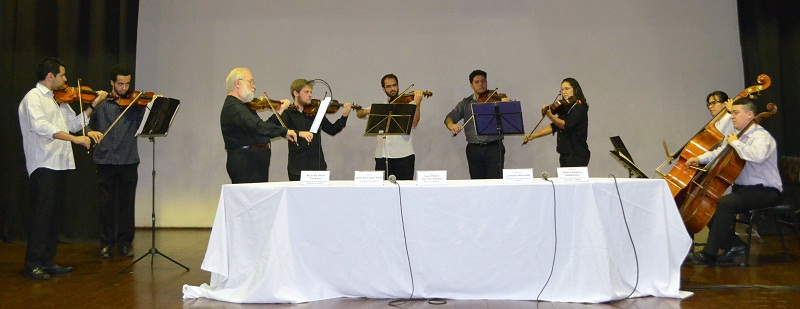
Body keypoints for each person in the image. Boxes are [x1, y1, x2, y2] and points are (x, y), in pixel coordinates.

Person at [18, 57, 107, 280]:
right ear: (50, 77)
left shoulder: (59, 100)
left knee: (53, 216)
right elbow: (42, 128)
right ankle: (33, 264)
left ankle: (48, 261)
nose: (66, 80)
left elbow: (75, 124)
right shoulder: (33, 98)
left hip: (59, 164)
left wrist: (92, 106)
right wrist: (77, 140)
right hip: (43, 164)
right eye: (62, 75)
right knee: (41, 216)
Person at [685, 97, 782, 265]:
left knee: (726, 203)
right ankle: (734, 245)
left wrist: (736, 143)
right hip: (744, 190)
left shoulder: (761, 136)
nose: (732, 116)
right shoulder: (737, 136)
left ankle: (709, 254)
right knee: (709, 205)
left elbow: (757, 156)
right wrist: (698, 158)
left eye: (736, 113)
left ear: (750, 115)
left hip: (766, 191)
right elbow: (719, 153)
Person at [87, 64, 144, 259]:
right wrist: (88, 132)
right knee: (106, 204)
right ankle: (106, 243)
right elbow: (84, 123)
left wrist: (148, 106)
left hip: (128, 159)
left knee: (127, 204)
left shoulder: (135, 103)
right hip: (105, 159)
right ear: (112, 83)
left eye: (127, 84)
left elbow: (142, 126)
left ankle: (125, 242)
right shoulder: (100, 102)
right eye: (120, 84)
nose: (124, 88)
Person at [220, 68, 298, 183]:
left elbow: (262, 129)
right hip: (245, 163)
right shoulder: (234, 107)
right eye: (250, 82)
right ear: (237, 83)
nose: (254, 86)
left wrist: (279, 111)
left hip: (253, 162)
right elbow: (258, 126)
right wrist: (284, 131)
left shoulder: (244, 106)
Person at [271, 79, 352, 181]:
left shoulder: (315, 113)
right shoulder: (288, 113)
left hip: (317, 166)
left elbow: (332, 130)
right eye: (306, 92)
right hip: (297, 167)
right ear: (296, 93)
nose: (310, 95)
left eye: (311, 92)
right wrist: (298, 133)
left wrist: (344, 116)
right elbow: (273, 130)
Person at [445, 70, 509, 179]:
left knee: (495, 183)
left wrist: (506, 105)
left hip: (494, 147)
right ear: (471, 85)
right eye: (477, 82)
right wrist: (452, 125)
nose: (481, 84)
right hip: (473, 149)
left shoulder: (495, 99)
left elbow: (508, 117)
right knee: (477, 183)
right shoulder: (466, 103)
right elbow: (450, 117)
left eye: (483, 81)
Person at [363, 74, 423, 180]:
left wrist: (417, 104)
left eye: (394, 85)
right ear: (383, 89)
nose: (392, 89)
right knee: (383, 193)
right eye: (389, 86)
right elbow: (360, 113)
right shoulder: (380, 106)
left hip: (404, 156)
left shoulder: (409, 105)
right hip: (382, 156)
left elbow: (414, 124)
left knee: (404, 192)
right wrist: (365, 111)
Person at [523, 78, 590, 167]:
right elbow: (554, 126)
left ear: (575, 89)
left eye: (567, 89)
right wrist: (533, 136)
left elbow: (565, 125)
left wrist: (550, 115)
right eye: (562, 90)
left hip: (576, 154)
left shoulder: (579, 107)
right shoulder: (567, 108)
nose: (564, 92)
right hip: (565, 154)